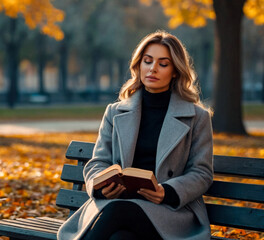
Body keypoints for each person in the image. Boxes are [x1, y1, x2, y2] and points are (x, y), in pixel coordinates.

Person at [57, 30, 214, 240]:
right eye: (147, 61)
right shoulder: (115, 112)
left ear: (175, 71)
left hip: (169, 213)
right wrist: (102, 188)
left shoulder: (197, 117)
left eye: (163, 64)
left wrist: (166, 192)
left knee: (118, 212)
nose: (153, 69)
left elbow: (202, 172)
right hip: (118, 205)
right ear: (138, 65)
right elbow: (98, 162)